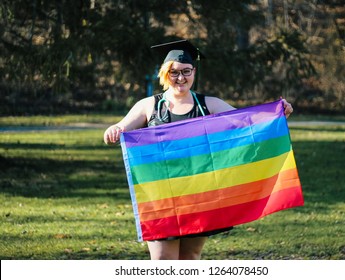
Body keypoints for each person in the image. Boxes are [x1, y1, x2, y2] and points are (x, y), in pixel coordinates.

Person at [103, 39, 293, 260]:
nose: (181, 78)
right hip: (161, 197)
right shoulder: (149, 106)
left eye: (186, 71)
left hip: (199, 196)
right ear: (165, 74)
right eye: (174, 73)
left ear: (194, 72)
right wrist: (113, 130)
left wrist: (278, 113)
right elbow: (119, 130)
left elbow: (247, 122)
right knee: (163, 260)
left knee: (191, 257)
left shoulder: (209, 105)